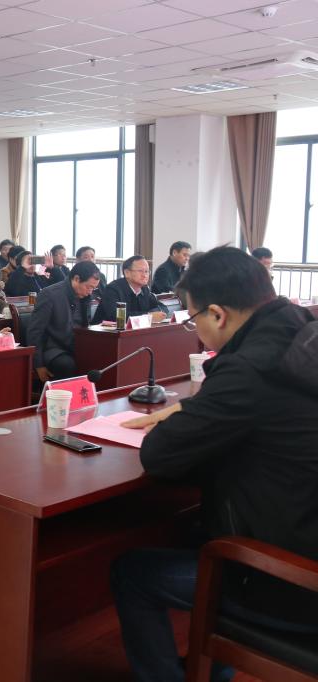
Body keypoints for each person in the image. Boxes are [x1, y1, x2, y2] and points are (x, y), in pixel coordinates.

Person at [112, 246, 318, 682]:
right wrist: (200, 411)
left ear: (218, 315)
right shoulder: (301, 332)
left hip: (292, 584)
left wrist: (187, 414)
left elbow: (160, 456)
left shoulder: (250, 368)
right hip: (303, 531)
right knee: (190, 529)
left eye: (193, 320)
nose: (196, 331)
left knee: (131, 572)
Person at [27, 260, 100, 383]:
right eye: (89, 287)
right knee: (67, 364)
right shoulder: (50, 294)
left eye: (94, 288)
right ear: (76, 279)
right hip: (53, 348)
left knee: (101, 358)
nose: (90, 292)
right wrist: (38, 364)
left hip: (76, 345)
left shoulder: (85, 297)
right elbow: (35, 331)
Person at [92, 256, 170, 325]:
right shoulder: (113, 289)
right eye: (140, 271)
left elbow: (162, 307)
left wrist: (158, 313)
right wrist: (148, 316)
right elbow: (116, 316)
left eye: (146, 271)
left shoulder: (144, 289)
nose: (145, 275)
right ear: (127, 273)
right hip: (104, 333)